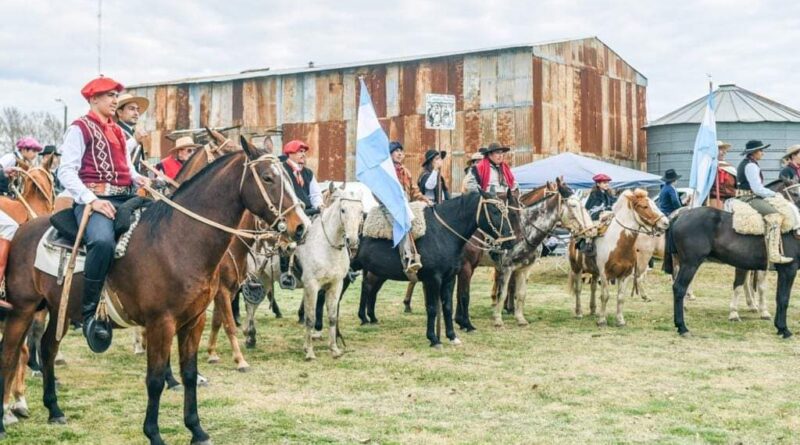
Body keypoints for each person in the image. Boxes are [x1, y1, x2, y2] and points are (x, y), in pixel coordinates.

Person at [57, 76, 151, 351]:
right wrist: (92, 200)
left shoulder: (119, 132)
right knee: (102, 242)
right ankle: (89, 313)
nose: (114, 100)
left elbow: (126, 168)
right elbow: (65, 172)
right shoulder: (79, 128)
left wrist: (139, 179)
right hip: (92, 200)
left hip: (124, 198)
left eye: (115, 95)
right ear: (93, 99)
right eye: (109, 95)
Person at [736, 140, 792, 264]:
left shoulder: (747, 163)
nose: (763, 153)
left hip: (748, 195)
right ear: (754, 152)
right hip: (749, 197)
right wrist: (774, 194)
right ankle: (774, 254)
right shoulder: (751, 166)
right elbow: (757, 189)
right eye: (761, 150)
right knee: (775, 217)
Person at [277, 139, 323, 289]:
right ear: (289, 154)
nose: (303, 155)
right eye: (299, 152)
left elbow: (315, 194)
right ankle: (286, 272)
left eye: (304, 152)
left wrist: (319, 205)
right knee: (287, 237)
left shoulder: (308, 173)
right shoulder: (281, 170)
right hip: (290, 212)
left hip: (309, 211)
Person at [389, 141, 429, 277]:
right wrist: (389, 202)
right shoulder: (386, 171)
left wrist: (424, 199)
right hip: (390, 205)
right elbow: (377, 190)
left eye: (401, 151)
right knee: (403, 223)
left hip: (405, 204)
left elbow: (414, 190)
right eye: (396, 151)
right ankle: (408, 258)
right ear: (390, 154)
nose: (400, 154)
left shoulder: (405, 171)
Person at [115, 93, 149, 171]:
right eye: (131, 109)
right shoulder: (113, 131)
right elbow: (116, 156)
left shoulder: (134, 132)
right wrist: (135, 140)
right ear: (120, 112)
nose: (136, 113)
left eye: (137, 109)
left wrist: (142, 166)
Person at [711, 141, 737, 208]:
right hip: (715, 198)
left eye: (724, 150)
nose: (724, 152)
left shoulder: (730, 168)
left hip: (731, 198)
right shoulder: (709, 167)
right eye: (720, 149)